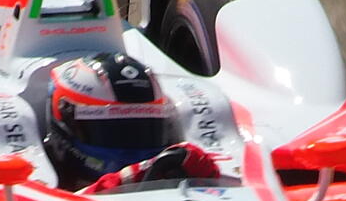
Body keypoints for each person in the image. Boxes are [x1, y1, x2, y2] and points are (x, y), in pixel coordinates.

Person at [41, 52, 221, 193]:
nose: (133, 146)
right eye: (115, 132)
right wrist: (129, 177)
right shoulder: (30, 185)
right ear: (66, 123)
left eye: (143, 131)